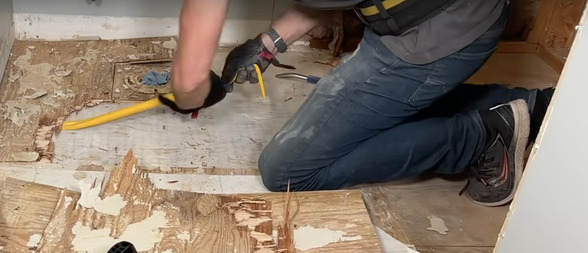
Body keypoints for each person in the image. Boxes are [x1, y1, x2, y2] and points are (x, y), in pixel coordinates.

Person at [158, 0, 555, 207]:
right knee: (379, 110)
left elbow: (191, 83)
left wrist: (196, 90)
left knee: (287, 171)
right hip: (448, 18)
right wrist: (268, 44)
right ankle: (529, 106)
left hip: (437, 33)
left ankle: (482, 138)